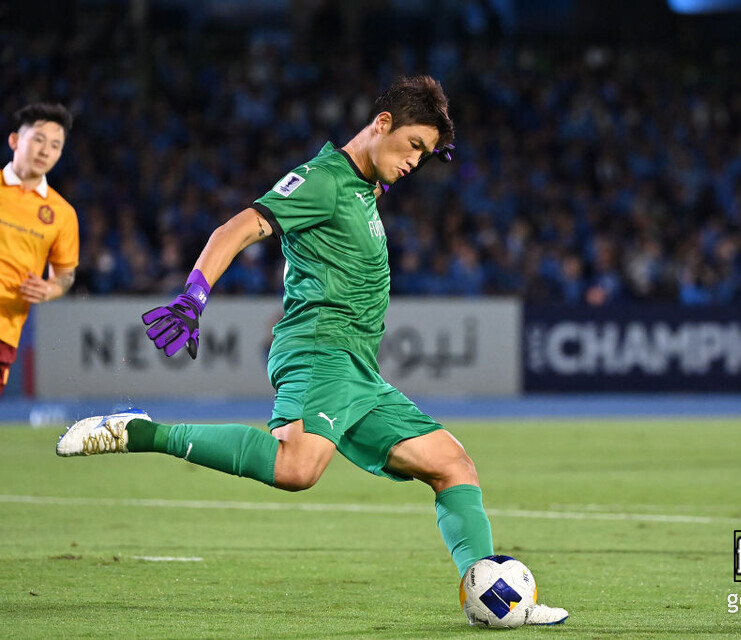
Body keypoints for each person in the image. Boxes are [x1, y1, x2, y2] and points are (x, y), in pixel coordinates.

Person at [56, 76, 567, 626]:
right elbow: (237, 228)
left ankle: (488, 593)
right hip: (320, 350)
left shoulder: (366, 186)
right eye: (413, 146)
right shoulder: (323, 181)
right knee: (296, 468)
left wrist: (416, 145)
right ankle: (141, 432)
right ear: (383, 124)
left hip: (358, 369)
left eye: (425, 154)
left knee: (453, 465)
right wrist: (193, 298)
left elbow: (361, 202)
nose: (415, 162)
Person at [0, 103, 78, 396]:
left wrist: (48, 289)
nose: (46, 151)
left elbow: (65, 275)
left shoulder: (62, 214)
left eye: (55, 146)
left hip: (4, 331)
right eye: (38, 139)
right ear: (14, 140)